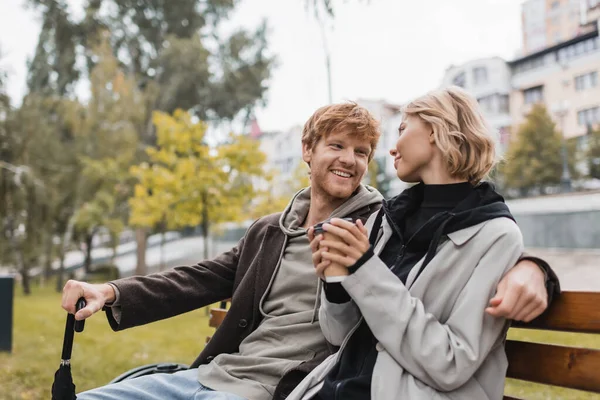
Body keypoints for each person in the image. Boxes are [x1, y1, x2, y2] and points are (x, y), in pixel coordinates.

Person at [61, 102, 558, 400]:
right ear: (308, 150)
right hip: (214, 376)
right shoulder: (270, 230)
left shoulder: (380, 225)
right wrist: (110, 290)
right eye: (337, 146)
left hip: (285, 389)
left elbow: (456, 237)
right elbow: (200, 277)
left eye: (361, 152)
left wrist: (535, 269)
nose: (350, 160)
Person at [288, 86, 552, 400]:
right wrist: (335, 283)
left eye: (402, 129)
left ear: (434, 130)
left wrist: (364, 268)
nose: (392, 148)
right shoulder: (383, 221)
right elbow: (339, 335)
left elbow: (451, 363)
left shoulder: (495, 235)